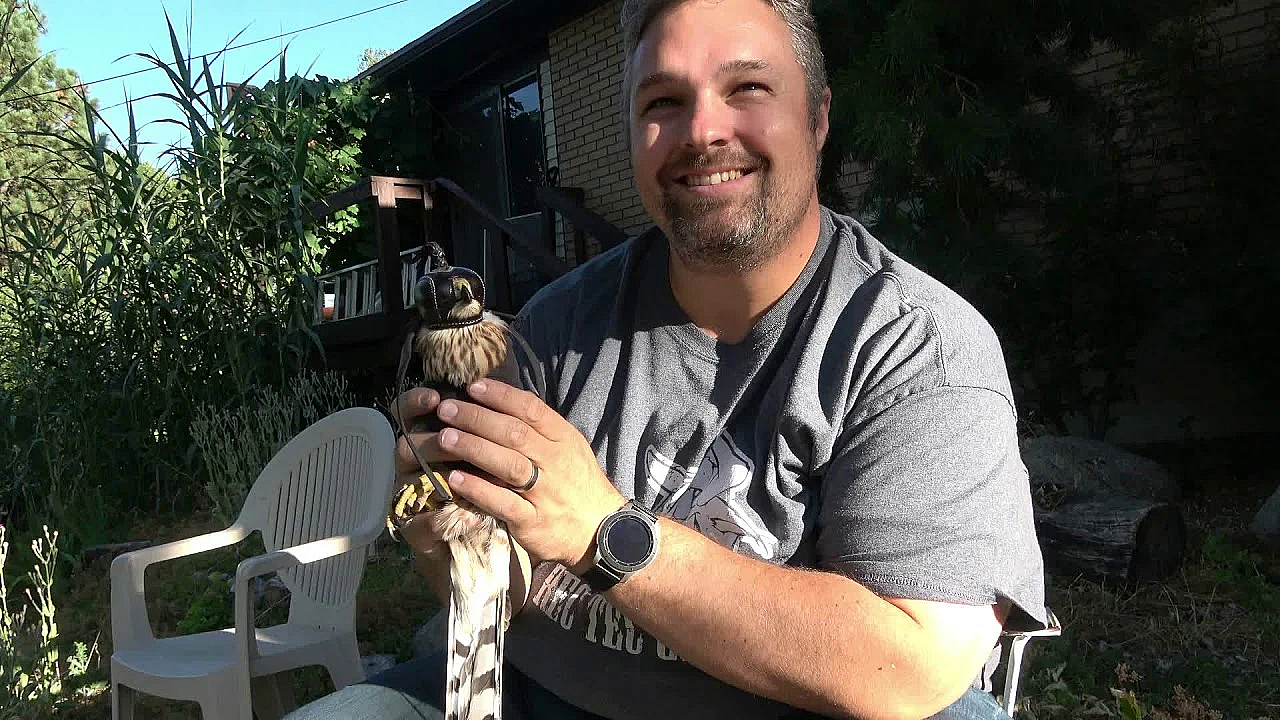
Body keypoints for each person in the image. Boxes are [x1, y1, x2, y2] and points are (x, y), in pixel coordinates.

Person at [286, 0, 1046, 718]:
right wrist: (446, 529)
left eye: (746, 86)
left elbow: (912, 667)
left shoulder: (913, 344)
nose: (702, 132)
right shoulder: (556, 325)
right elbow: (503, 594)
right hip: (541, 693)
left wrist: (605, 531)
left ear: (816, 118)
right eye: (662, 103)